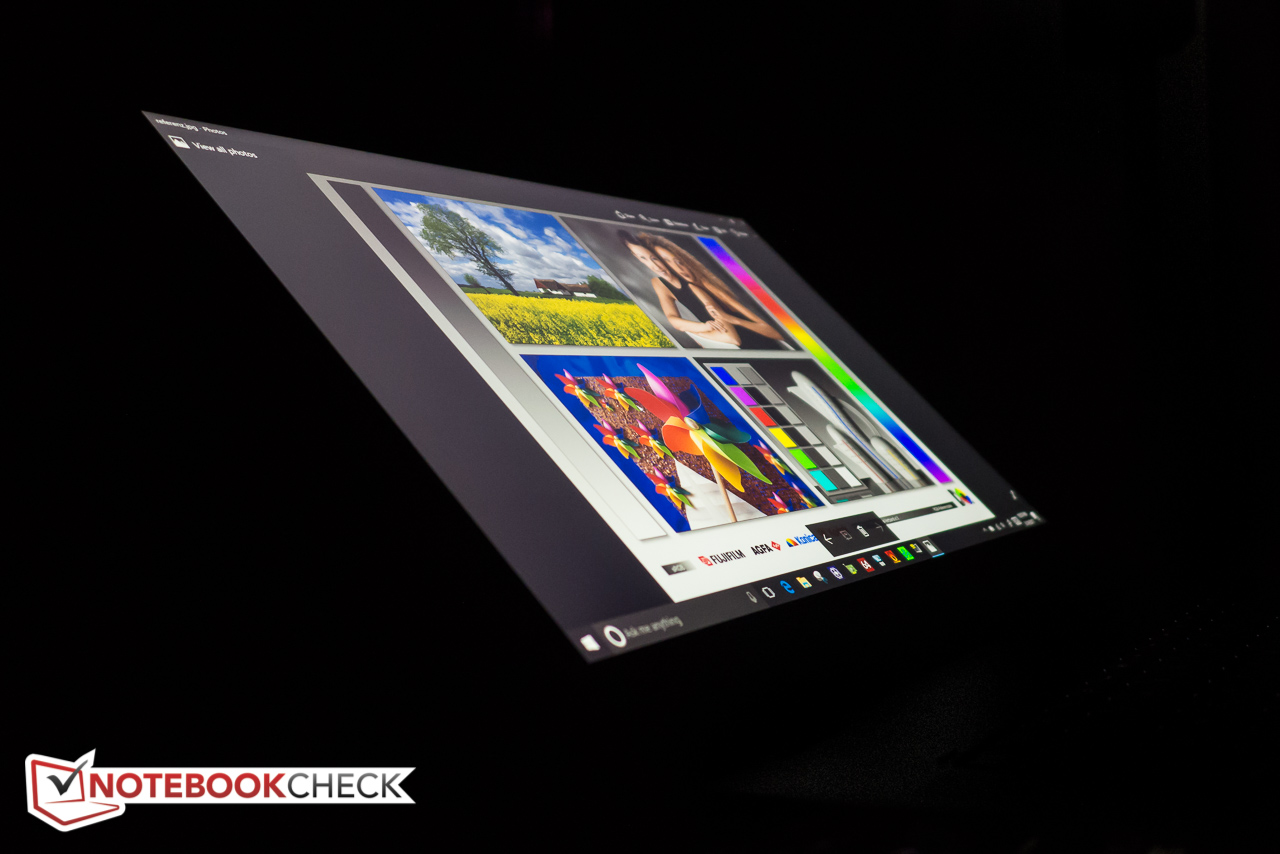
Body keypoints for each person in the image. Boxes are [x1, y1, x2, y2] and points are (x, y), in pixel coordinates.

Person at [618, 230, 789, 349]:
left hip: (758, 345)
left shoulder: (701, 287)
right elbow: (673, 320)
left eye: (676, 261)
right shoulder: (659, 283)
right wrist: (703, 328)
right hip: (737, 350)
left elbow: (734, 338)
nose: (656, 266)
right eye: (644, 258)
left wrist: (703, 330)